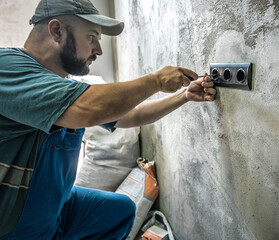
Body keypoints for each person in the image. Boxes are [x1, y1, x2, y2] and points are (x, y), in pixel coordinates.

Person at [0, 0, 216, 239]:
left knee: (119, 211)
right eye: (92, 37)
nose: (99, 50)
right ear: (56, 31)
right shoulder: (6, 67)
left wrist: (183, 96)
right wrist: (155, 81)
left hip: (55, 208)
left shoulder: (64, 87)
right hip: (14, 226)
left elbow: (131, 114)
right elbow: (90, 108)